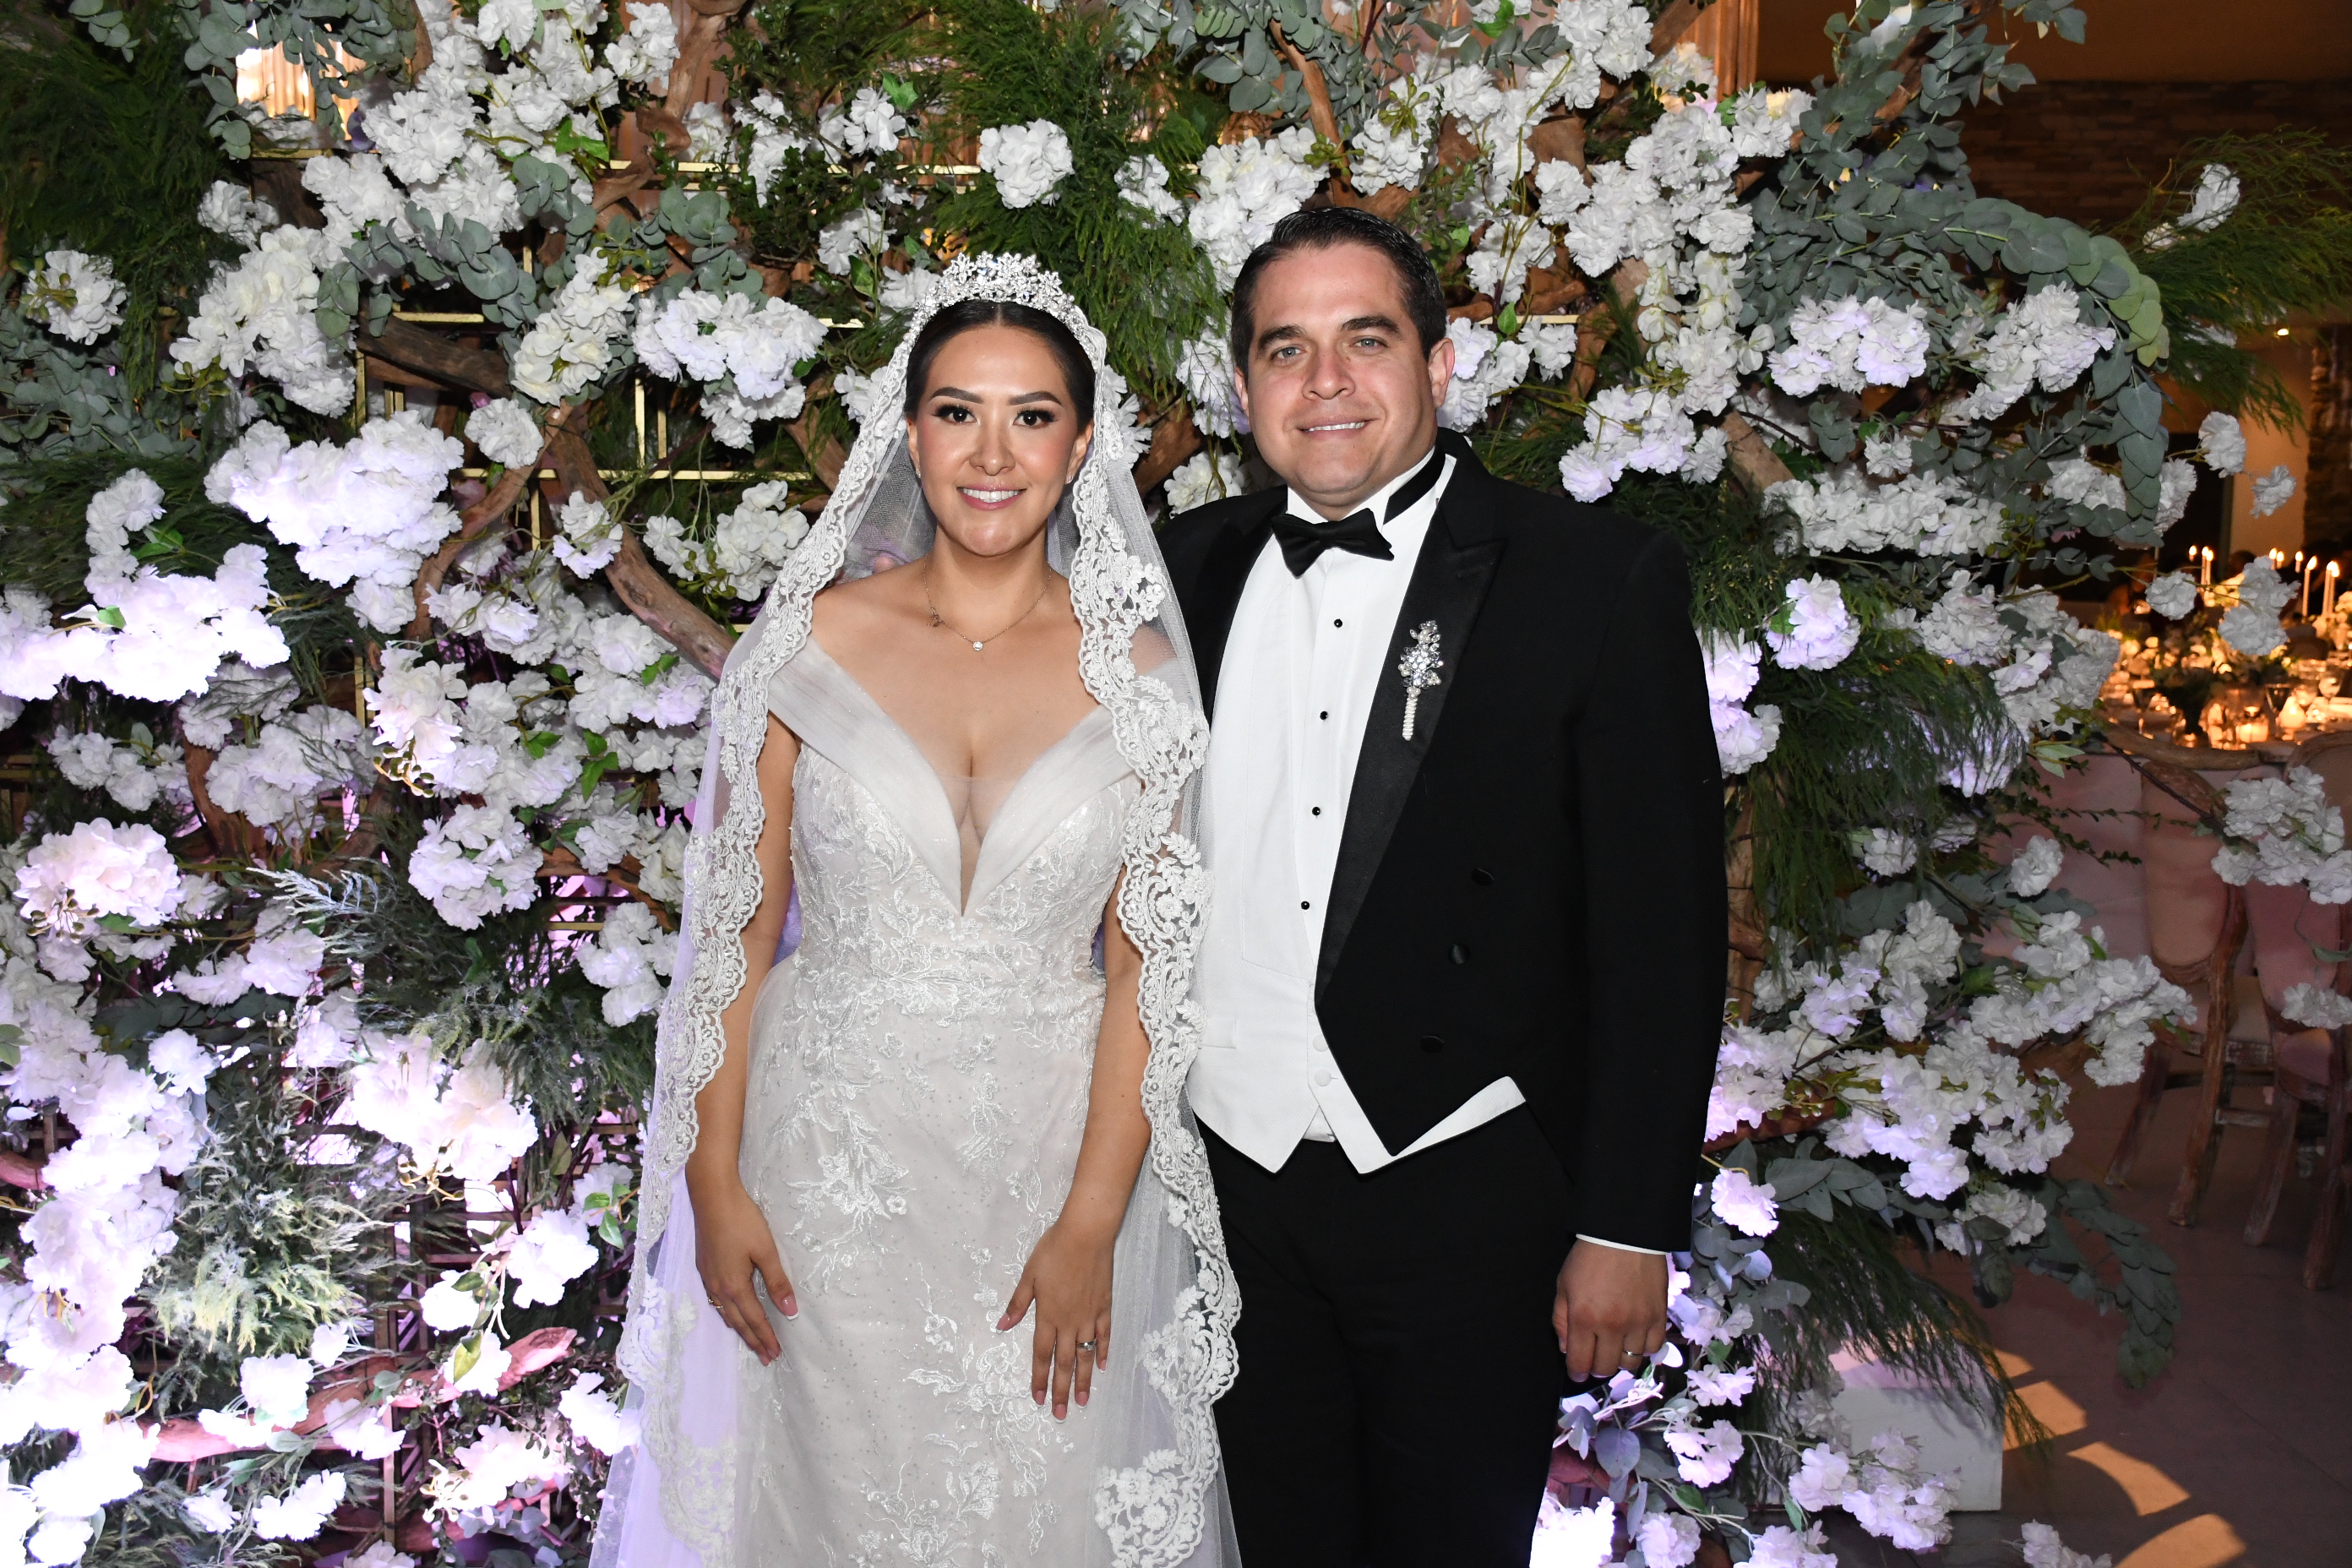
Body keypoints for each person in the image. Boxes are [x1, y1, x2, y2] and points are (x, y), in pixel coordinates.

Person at [595, 255, 1239, 1568]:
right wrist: (713, 1182)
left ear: (1080, 446)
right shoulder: (804, 647)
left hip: (1049, 1171)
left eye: (1031, 416)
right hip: (823, 1178)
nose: (992, 453)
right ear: (911, 436)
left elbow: (1149, 974)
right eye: (958, 412)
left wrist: (1093, 1222)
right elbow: (731, 939)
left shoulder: (1146, 679)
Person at [1161, 207, 1726, 1565]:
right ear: (1242, 388)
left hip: (1462, 1179)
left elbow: (1662, 932)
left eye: (1367, 340)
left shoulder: (1592, 578)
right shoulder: (1180, 575)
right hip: (1222, 1187)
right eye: (1285, 350)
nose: (1327, 382)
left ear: (1438, 362)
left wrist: (1625, 1225)